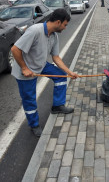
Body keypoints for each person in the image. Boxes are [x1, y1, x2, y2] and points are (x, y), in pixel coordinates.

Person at [11, 8, 79, 137]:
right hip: (25, 69)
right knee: (29, 99)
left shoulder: (54, 35)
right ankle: (34, 125)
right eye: (65, 25)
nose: (65, 28)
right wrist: (25, 68)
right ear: (58, 22)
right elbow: (15, 49)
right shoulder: (35, 30)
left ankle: (57, 106)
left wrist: (70, 72)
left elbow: (56, 58)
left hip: (40, 65)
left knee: (61, 76)